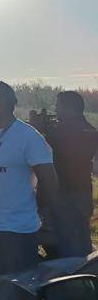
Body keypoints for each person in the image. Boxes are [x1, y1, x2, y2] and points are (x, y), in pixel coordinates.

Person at [0, 81, 64, 287]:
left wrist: (39, 211)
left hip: (19, 229)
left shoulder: (29, 136)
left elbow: (49, 182)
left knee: (23, 285)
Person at [45, 91, 98, 255]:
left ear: (70, 108)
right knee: (74, 237)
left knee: (70, 241)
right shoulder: (86, 130)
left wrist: (46, 130)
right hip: (76, 191)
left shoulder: (76, 131)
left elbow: (62, 146)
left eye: (58, 105)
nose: (56, 109)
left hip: (70, 193)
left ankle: (74, 275)